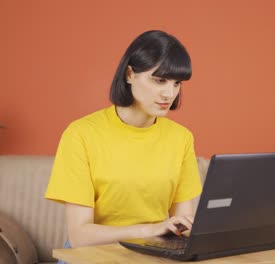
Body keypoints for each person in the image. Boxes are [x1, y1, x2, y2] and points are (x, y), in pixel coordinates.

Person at [44, 30, 202, 254]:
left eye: (177, 83)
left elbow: (182, 223)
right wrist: (151, 230)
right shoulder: (81, 134)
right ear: (130, 74)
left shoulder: (181, 138)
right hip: (94, 256)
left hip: (151, 255)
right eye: (159, 80)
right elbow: (80, 236)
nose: (169, 93)